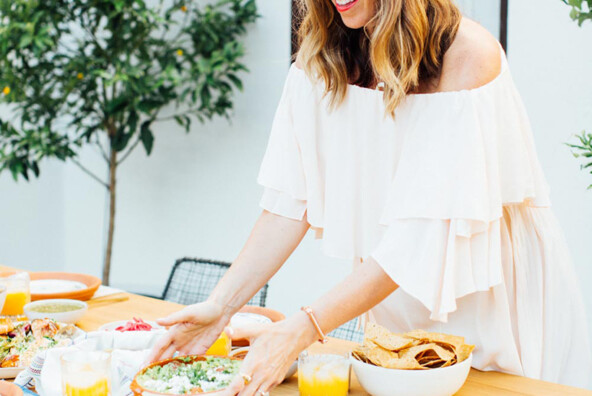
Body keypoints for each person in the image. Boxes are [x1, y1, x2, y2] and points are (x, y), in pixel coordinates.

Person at [148, 0, 591, 394]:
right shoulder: (320, 55)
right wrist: (221, 307)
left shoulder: (468, 57)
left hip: (486, 292)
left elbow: (422, 240)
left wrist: (305, 328)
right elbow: (288, 203)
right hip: (391, 296)